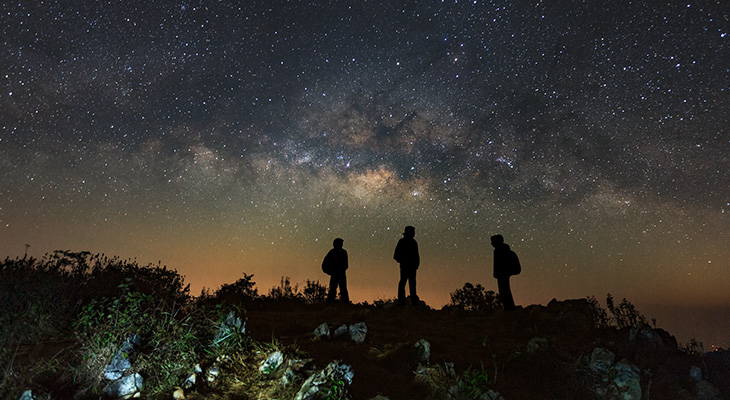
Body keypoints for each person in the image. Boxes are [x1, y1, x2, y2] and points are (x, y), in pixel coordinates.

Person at [491, 234, 519, 310]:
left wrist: (499, 273)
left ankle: (509, 308)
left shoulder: (499, 251)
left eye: (493, 241)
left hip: (503, 274)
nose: (491, 244)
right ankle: (509, 307)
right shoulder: (501, 250)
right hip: (502, 274)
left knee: (504, 291)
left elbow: (498, 264)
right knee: (504, 291)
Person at [393, 226, 420, 306]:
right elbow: (396, 255)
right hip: (406, 267)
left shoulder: (414, 243)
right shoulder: (402, 242)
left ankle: (412, 303)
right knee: (404, 284)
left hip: (411, 267)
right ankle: (402, 303)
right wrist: (403, 261)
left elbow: (416, 255)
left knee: (411, 284)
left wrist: (416, 265)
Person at [322, 238, 350, 303]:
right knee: (335, 290)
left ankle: (342, 304)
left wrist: (330, 272)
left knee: (340, 290)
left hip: (339, 274)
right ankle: (341, 305)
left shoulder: (339, 252)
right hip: (338, 274)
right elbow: (324, 264)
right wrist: (329, 272)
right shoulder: (337, 252)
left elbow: (346, 265)